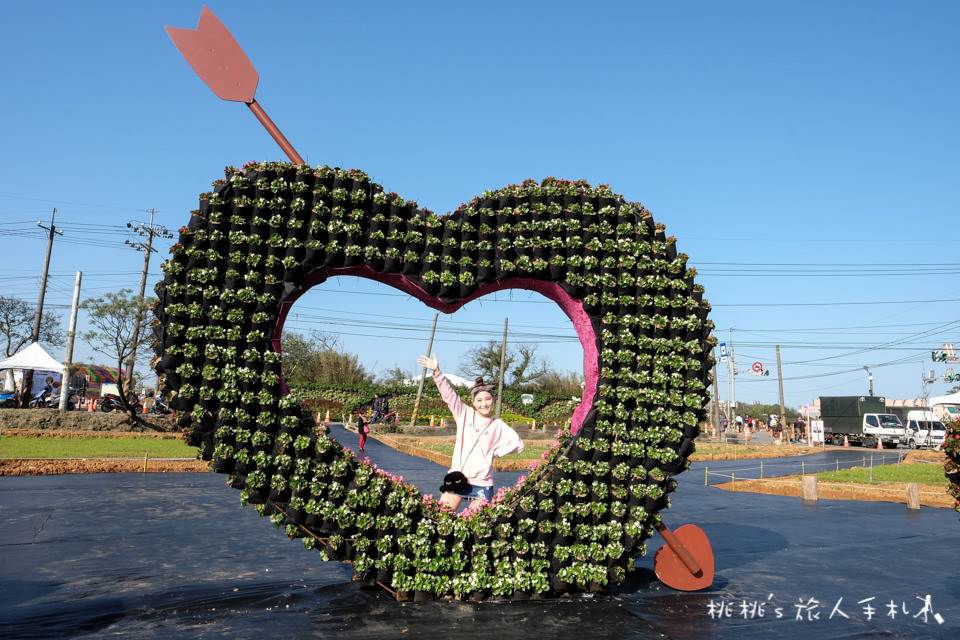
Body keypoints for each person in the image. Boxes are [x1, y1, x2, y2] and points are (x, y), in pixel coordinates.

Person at [417, 353, 524, 510]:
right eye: (479, 400)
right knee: (442, 517)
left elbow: (518, 444)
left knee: (477, 527)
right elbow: (449, 396)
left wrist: (496, 451)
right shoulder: (465, 414)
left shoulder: (498, 425)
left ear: (493, 401)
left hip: (482, 483)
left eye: (487, 399)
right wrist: (437, 373)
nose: (484, 404)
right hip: (458, 479)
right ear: (473, 402)